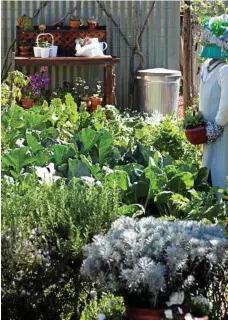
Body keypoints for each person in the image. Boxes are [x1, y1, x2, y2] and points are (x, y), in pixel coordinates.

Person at [199, 14, 228, 190]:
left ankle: (221, 204)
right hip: (207, 127)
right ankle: (207, 200)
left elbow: (226, 103)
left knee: (221, 166)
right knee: (207, 163)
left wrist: (218, 125)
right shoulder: (206, 66)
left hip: (221, 129)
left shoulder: (224, 70)